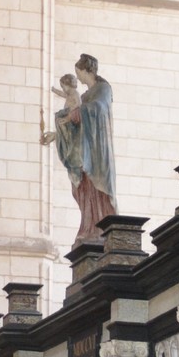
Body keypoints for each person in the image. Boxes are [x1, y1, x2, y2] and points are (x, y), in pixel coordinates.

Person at [40, 54, 116, 244]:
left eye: (78, 73)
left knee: (99, 190)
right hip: (85, 152)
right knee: (84, 190)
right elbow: (76, 127)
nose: (78, 77)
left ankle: (103, 229)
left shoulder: (103, 89)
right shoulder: (83, 97)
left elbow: (99, 108)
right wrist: (55, 135)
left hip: (98, 152)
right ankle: (90, 227)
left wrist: (78, 112)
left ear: (87, 70)